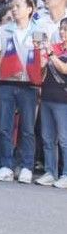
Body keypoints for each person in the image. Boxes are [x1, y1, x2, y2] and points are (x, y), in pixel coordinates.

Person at [0, 0, 47, 183]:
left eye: (18, 6)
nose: (14, 9)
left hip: (29, 85)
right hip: (7, 83)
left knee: (27, 128)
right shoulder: (4, 30)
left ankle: (26, 167)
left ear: (30, 9)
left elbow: (43, 57)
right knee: (5, 126)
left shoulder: (39, 30)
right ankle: (6, 166)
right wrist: (7, 69)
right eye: (12, 6)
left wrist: (35, 69)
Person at [38, 19, 67, 187]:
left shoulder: (53, 51)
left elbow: (64, 69)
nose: (63, 32)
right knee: (47, 138)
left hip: (63, 100)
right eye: (61, 29)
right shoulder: (55, 48)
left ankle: (65, 173)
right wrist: (40, 57)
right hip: (47, 96)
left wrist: (50, 54)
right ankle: (50, 171)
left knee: (64, 139)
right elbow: (42, 70)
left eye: (66, 29)